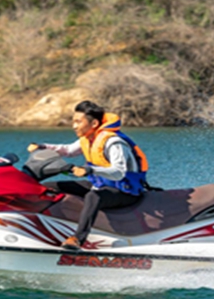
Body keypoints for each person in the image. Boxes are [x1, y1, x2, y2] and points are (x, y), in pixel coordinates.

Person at [28, 100, 149, 250]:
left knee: (93, 196)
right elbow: (68, 151)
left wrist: (90, 170)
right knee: (49, 187)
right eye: (73, 122)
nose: (74, 126)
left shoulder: (114, 142)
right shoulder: (88, 138)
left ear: (94, 124)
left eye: (78, 122)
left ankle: (78, 239)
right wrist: (43, 146)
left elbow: (118, 172)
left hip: (125, 191)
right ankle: (36, 223)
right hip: (100, 185)